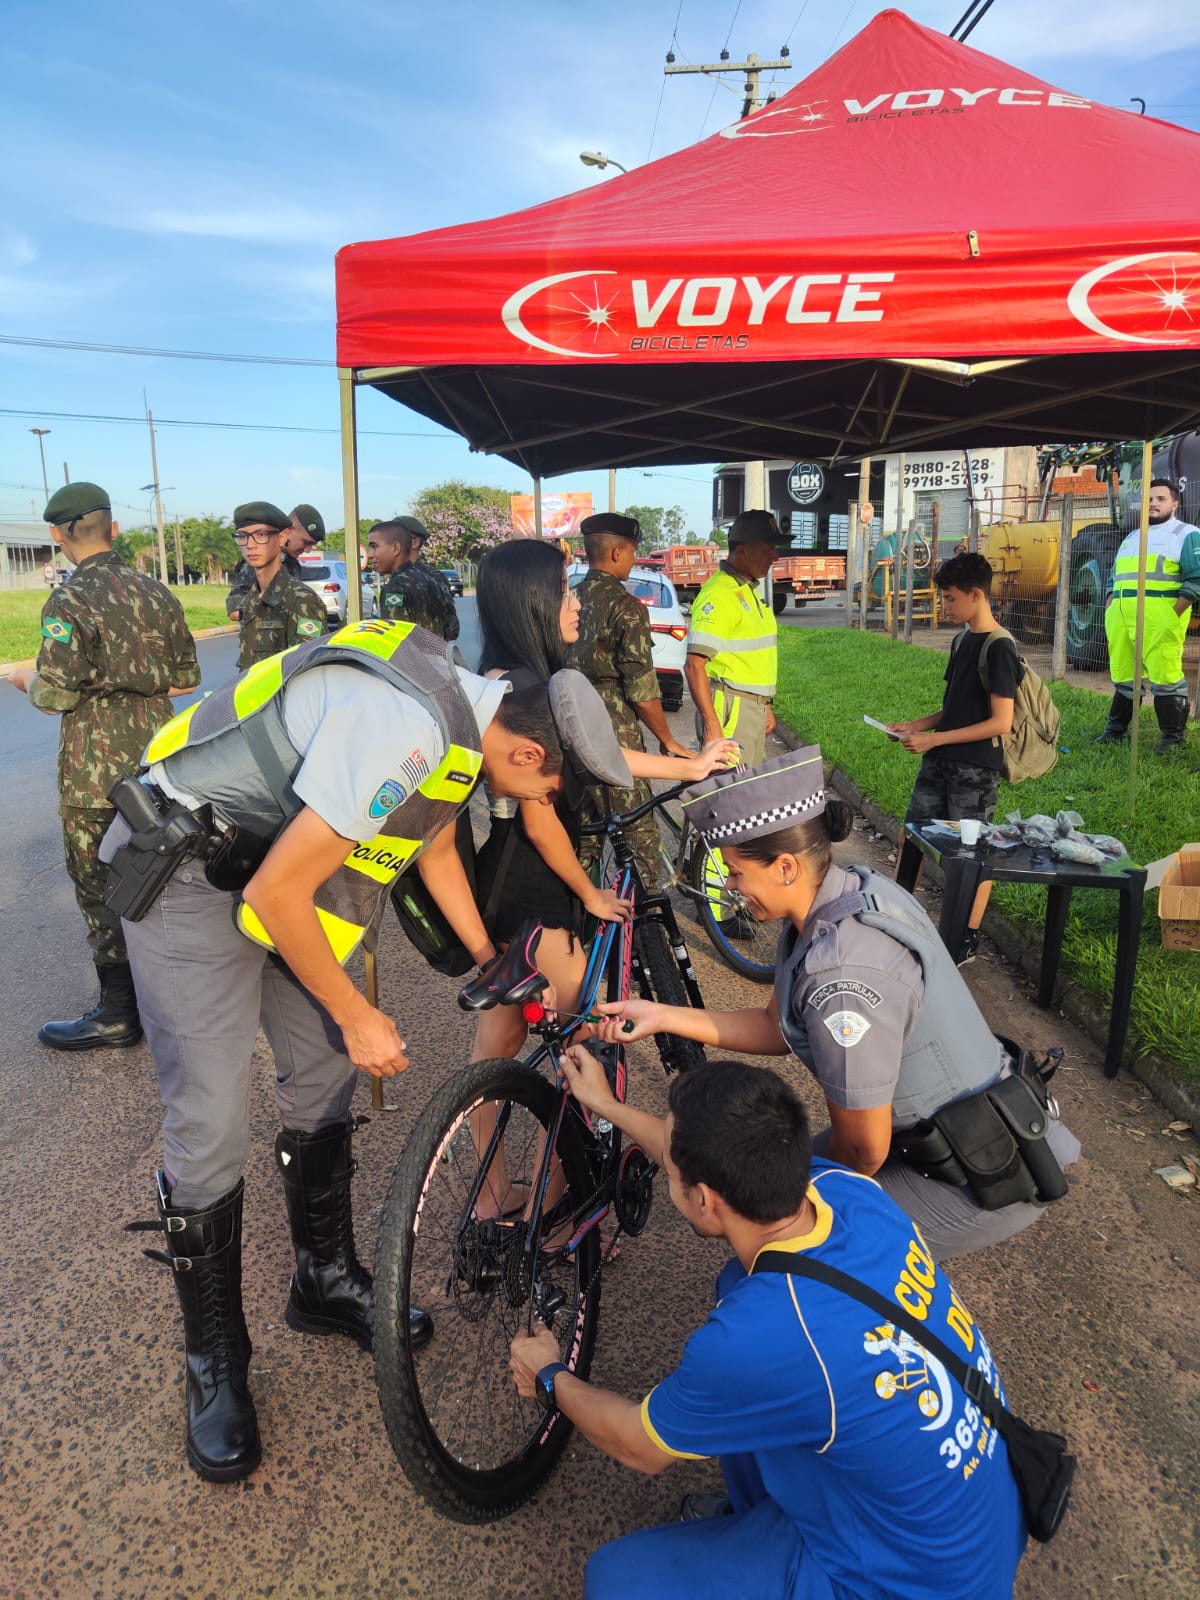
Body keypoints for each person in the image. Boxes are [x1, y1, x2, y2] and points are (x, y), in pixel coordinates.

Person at [105, 613, 629, 1482]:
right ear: (531, 757)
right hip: (191, 867)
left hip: (279, 862)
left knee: (321, 1081)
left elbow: (429, 841)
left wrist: (489, 962)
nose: (536, 808)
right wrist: (356, 1011)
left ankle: (321, 1279)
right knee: (210, 1121)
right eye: (543, 795)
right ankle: (215, 1360)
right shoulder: (411, 728)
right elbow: (280, 892)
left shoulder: (467, 717)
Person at [509, 1053, 1027, 1600]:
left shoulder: (758, 1338)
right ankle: (759, 1517)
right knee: (738, 1290)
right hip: (974, 1519)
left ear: (705, 1202)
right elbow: (687, 1152)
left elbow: (640, 1446)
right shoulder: (846, 1190)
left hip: (913, 1581)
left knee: (615, 1582)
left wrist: (550, 1376)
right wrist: (606, 1105)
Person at [593, 746, 1079, 1263]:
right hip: (936, 1140)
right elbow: (774, 1027)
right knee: (761, 1177)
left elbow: (862, 1151)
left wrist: (770, 1196)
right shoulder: (849, 894)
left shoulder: (842, 975)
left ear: (784, 866)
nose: (729, 889)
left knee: (773, 1234)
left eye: (735, 873)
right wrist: (663, 1016)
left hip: (972, 1174)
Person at [470, 538, 737, 1192]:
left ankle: (494, 1197)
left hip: (504, 883)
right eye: (563, 593)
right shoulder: (530, 691)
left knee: (494, 1050)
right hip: (544, 888)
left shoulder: (503, 680)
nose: (575, 607)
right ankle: (557, 1207)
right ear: (532, 602)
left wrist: (688, 764)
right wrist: (588, 892)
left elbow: (600, 752)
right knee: (578, 1045)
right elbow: (539, 814)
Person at [7, 481, 199, 1050]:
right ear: (112, 527)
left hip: (95, 773)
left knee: (101, 887)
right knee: (162, 875)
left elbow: (55, 696)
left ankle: (119, 1012)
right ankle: (175, 1001)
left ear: (59, 534)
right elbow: (187, 678)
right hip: (159, 759)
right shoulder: (156, 592)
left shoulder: (69, 599)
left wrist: (23, 677)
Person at [887, 552, 1018, 965]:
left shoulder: (1000, 647)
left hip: (976, 770)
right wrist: (916, 727)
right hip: (940, 759)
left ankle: (965, 937)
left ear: (976, 595)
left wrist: (935, 739)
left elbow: (1000, 722)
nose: (944, 606)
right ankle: (897, 916)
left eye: (949, 598)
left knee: (972, 854)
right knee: (913, 834)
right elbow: (955, 706)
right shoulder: (962, 640)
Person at [569, 512, 694, 890]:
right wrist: (667, 740)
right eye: (632, 552)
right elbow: (642, 692)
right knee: (641, 843)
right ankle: (641, 938)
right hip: (612, 735)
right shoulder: (627, 607)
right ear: (617, 552)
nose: (634, 559)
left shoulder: (568, 600)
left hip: (568, 726)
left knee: (583, 837)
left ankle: (580, 929)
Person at [1095, 478, 1200, 753]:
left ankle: (1172, 739)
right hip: (1120, 619)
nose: (1153, 503)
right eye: (1149, 499)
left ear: (1175, 503)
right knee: (1124, 676)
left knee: (1166, 677)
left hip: (1159, 620)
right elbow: (1114, 577)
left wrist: (1171, 615)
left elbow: (1196, 580)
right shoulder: (1132, 537)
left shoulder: (1186, 534)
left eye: (1161, 499)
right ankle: (1115, 731)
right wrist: (1110, 605)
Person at [685, 508, 791, 767]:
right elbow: (694, 665)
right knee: (730, 794)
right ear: (742, 551)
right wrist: (712, 726)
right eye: (768, 549)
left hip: (750, 707)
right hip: (731, 709)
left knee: (748, 791)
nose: (775, 556)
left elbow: (751, 659)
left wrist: (764, 705)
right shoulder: (719, 594)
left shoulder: (746, 588)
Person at [232, 501, 327, 669]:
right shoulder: (251, 599)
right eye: (242, 536)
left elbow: (308, 670)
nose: (250, 545)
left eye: (261, 535)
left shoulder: (302, 599)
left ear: (283, 537)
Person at [367, 516, 460, 640]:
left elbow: (395, 641)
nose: (369, 555)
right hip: (435, 656)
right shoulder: (428, 579)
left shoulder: (396, 587)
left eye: (375, 547)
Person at [224, 503, 319, 622]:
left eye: (261, 535)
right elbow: (235, 610)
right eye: (305, 542)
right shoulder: (255, 561)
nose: (307, 550)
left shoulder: (294, 566)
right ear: (287, 533)